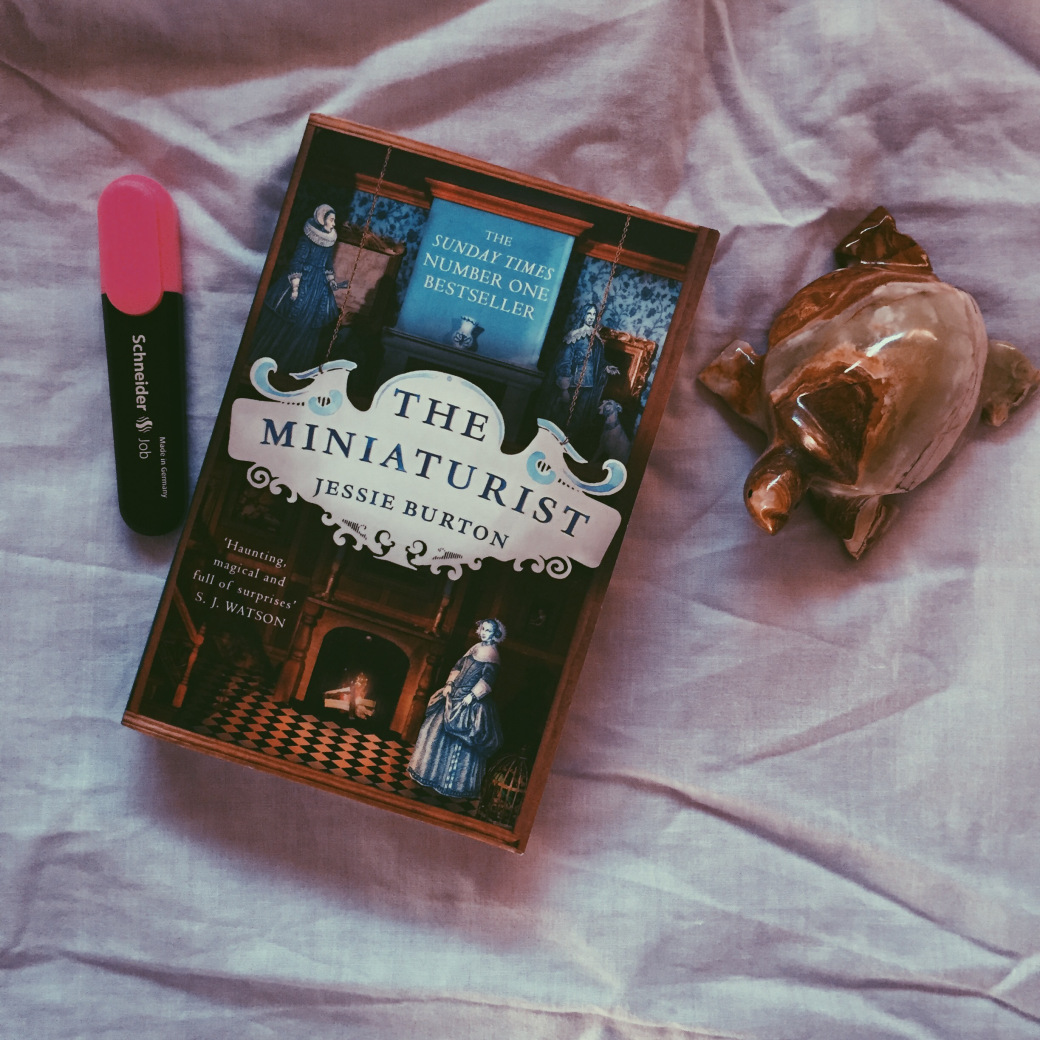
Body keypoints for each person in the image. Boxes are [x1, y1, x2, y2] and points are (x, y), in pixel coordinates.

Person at [407, 619, 506, 800]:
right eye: (483, 629)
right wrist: (449, 684)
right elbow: (458, 667)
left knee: (462, 741)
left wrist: (471, 696)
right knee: (435, 731)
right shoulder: (475, 647)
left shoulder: (493, 655)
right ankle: (428, 776)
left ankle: (452, 786)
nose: (484, 633)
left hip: (471, 701)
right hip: (454, 694)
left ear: (495, 634)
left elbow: (487, 681)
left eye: (489, 631)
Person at [250, 204, 342, 371]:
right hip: (301, 281)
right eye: (331, 220)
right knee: (287, 320)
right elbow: (297, 262)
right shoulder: (306, 240)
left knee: (306, 327)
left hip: (317, 287)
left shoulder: (329, 242)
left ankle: (292, 367)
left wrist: (331, 280)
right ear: (322, 220)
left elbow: (328, 264)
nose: (333, 223)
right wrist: (295, 287)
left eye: (334, 220)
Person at [542, 303, 619, 451]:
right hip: (572, 384)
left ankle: (567, 448)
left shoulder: (596, 338)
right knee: (563, 415)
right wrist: (564, 388)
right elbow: (565, 362)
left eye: (594, 314)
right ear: (583, 314)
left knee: (578, 417)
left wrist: (606, 367)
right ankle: (551, 446)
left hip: (588, 385)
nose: (591, 317)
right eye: (588, 313)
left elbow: (597, 361)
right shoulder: (574, 336)